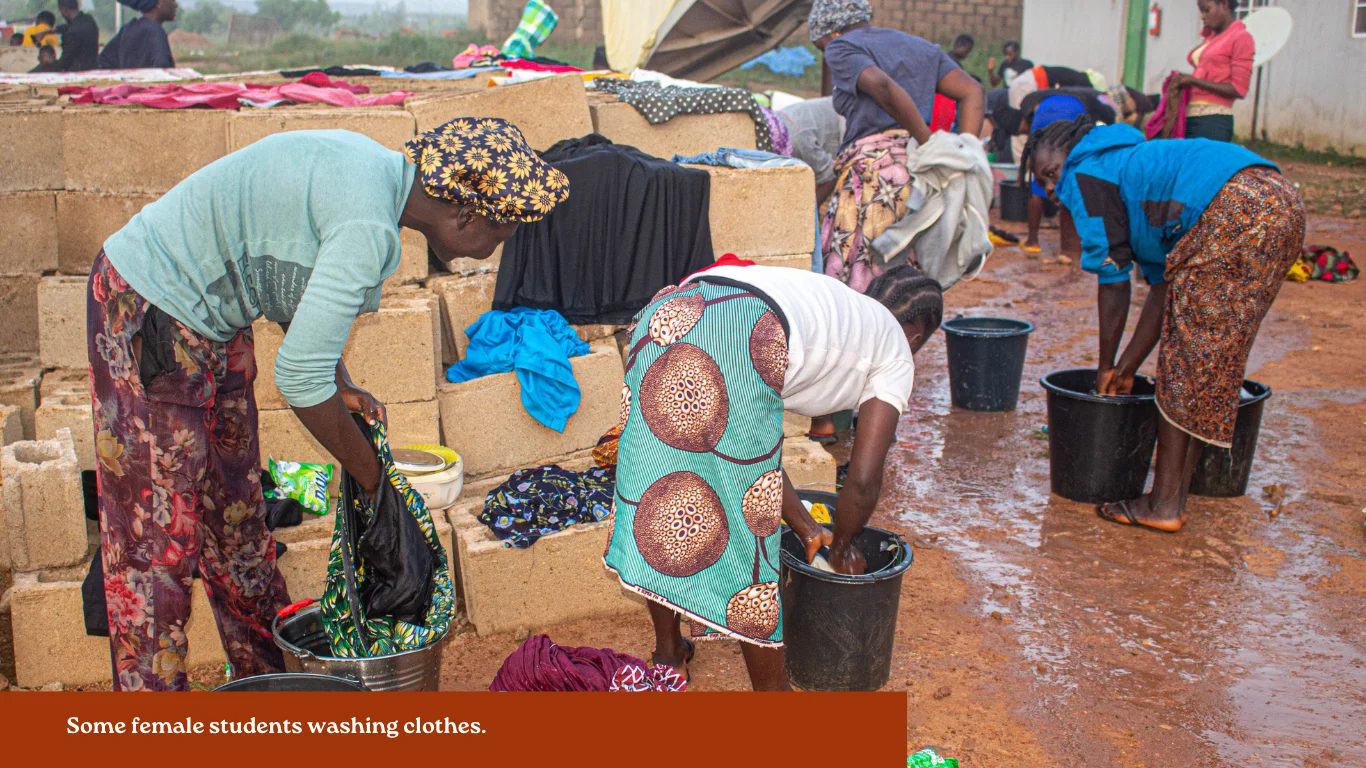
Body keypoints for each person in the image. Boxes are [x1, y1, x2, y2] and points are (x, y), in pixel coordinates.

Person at [89, 119, 568, 691]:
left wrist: (338, 378)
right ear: (465, 215)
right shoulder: (368, 224)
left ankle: (272, 689)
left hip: (213, 319)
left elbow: (293, 266)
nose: (494, 248)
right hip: (152, 306)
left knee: (238, 521)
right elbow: (297, 377)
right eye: (501, 233)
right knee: (157, 549)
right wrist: (372, 480)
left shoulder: (374, 171)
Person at [603, 260, 944, 689]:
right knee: (750, 541)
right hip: (743, 326)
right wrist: (841, 545)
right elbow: (862, 479)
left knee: (661, 485)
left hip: (669, 312)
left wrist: (805, 527)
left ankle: (669, 654)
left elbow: (754, 456)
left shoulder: (837, 304)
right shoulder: (896, 349)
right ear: (916, 336)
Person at [1024, 116, 1304, 533]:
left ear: (1070, 154)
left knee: (1185, 360)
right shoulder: (1132, 170)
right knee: (1209, 357)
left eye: (1051, 173)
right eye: (1042, 183)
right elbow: (1162, 292)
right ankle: (1172, 495)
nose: (1051, 188)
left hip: (1232, 206)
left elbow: (1113, 282)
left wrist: (1104, 366)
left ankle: (1164, 504)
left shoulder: (1087, 172)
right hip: (1280, 203)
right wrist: (1126, 369)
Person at [808, 0, 982, 442]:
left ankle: (826, 416)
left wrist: (927, 136)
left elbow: (882, 86)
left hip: (872, 176)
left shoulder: (842, 47)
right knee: (896, 287)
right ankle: (876, 410)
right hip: (917, 180)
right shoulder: (921, 47)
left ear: (826, 34)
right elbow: (972, 92)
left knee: (845, 282)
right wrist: (960, 151)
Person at [1002, 87, 1116, 253]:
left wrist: (1023, 173)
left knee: (1039, 183)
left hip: (1043, 113)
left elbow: (1032, 147)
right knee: (1072, 181)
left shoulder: (1039, 95)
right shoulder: (1092, 97)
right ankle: (1070, 248)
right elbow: (1107, 122)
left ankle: (1032, 240)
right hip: (1073, 116)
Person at [1167, 0, 1254, 142]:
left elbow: (1239, 89)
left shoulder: (1241, 37)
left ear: (1224, 4)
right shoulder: (1211, 38)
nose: (1203, 16)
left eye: (1206, 10)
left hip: (1212, 121)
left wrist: (1193, 81)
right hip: (1190, 117)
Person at [96, 0, 176, 70]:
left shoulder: (127, 29)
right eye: (172, 0)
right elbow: (163, 67)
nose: (176, 5)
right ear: (158, 2)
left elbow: (104, 61)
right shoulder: (156, 31)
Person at [54, 0, 99, 72]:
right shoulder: (89, 20)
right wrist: (50, 31)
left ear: (65, 10)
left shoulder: (73, 33)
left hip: (78, 71)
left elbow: (66, 60)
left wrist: (51, 64)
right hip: (93, 67)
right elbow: (70, 26)